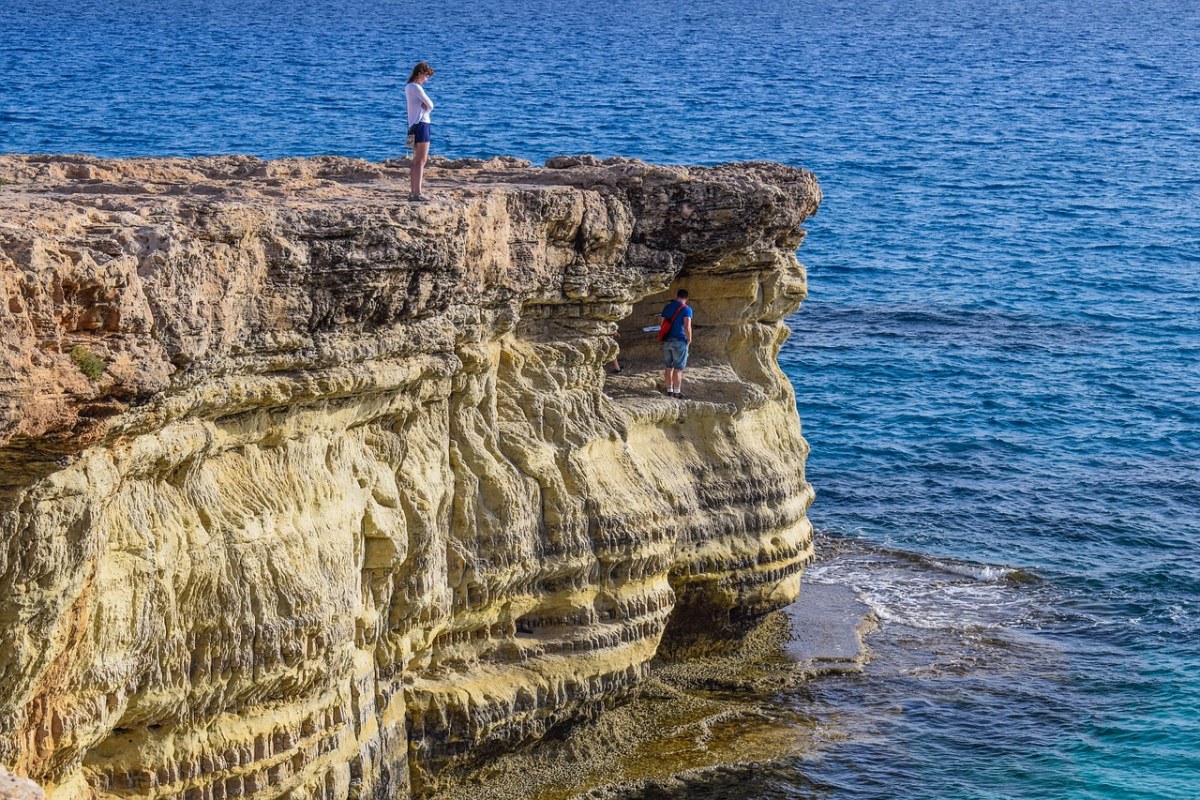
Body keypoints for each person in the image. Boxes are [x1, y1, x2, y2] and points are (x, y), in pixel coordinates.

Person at [405, 62, 435, 201]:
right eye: (426, 76)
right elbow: (430, 105)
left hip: (411, 126)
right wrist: (425, 109)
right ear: (420, 74)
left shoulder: (408, 87)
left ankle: (413, 191)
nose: (426, 79)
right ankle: (418, 192)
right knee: (421, 160)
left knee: (415, 160)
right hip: (422, 124)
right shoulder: (416, 87)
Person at [660, 289, 692, 398]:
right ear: (686, 298)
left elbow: (662, 324)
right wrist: (689, 339)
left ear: (677, 295)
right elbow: (687, 326)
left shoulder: (668, 306)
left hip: (667, 340)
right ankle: (676, 392)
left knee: (668, 367)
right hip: (679, 340)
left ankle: (669, 390)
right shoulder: (687, 309)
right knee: (678, 368)